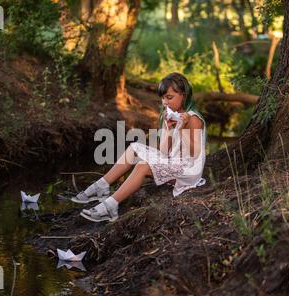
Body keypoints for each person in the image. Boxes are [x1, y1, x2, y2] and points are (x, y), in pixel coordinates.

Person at [74, 72, 206, 222]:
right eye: (163, 98)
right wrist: (169, 130)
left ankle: (111, 206)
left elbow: (195, 153)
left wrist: (181, 129)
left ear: (183, 95)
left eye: (169, 97)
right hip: (174, 162)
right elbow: (163, 152)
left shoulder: (193, 118)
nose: (165, 102)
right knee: (135, 147)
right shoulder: (169, 116)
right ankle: (102, 185)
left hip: (189, 169)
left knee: (142, 166)